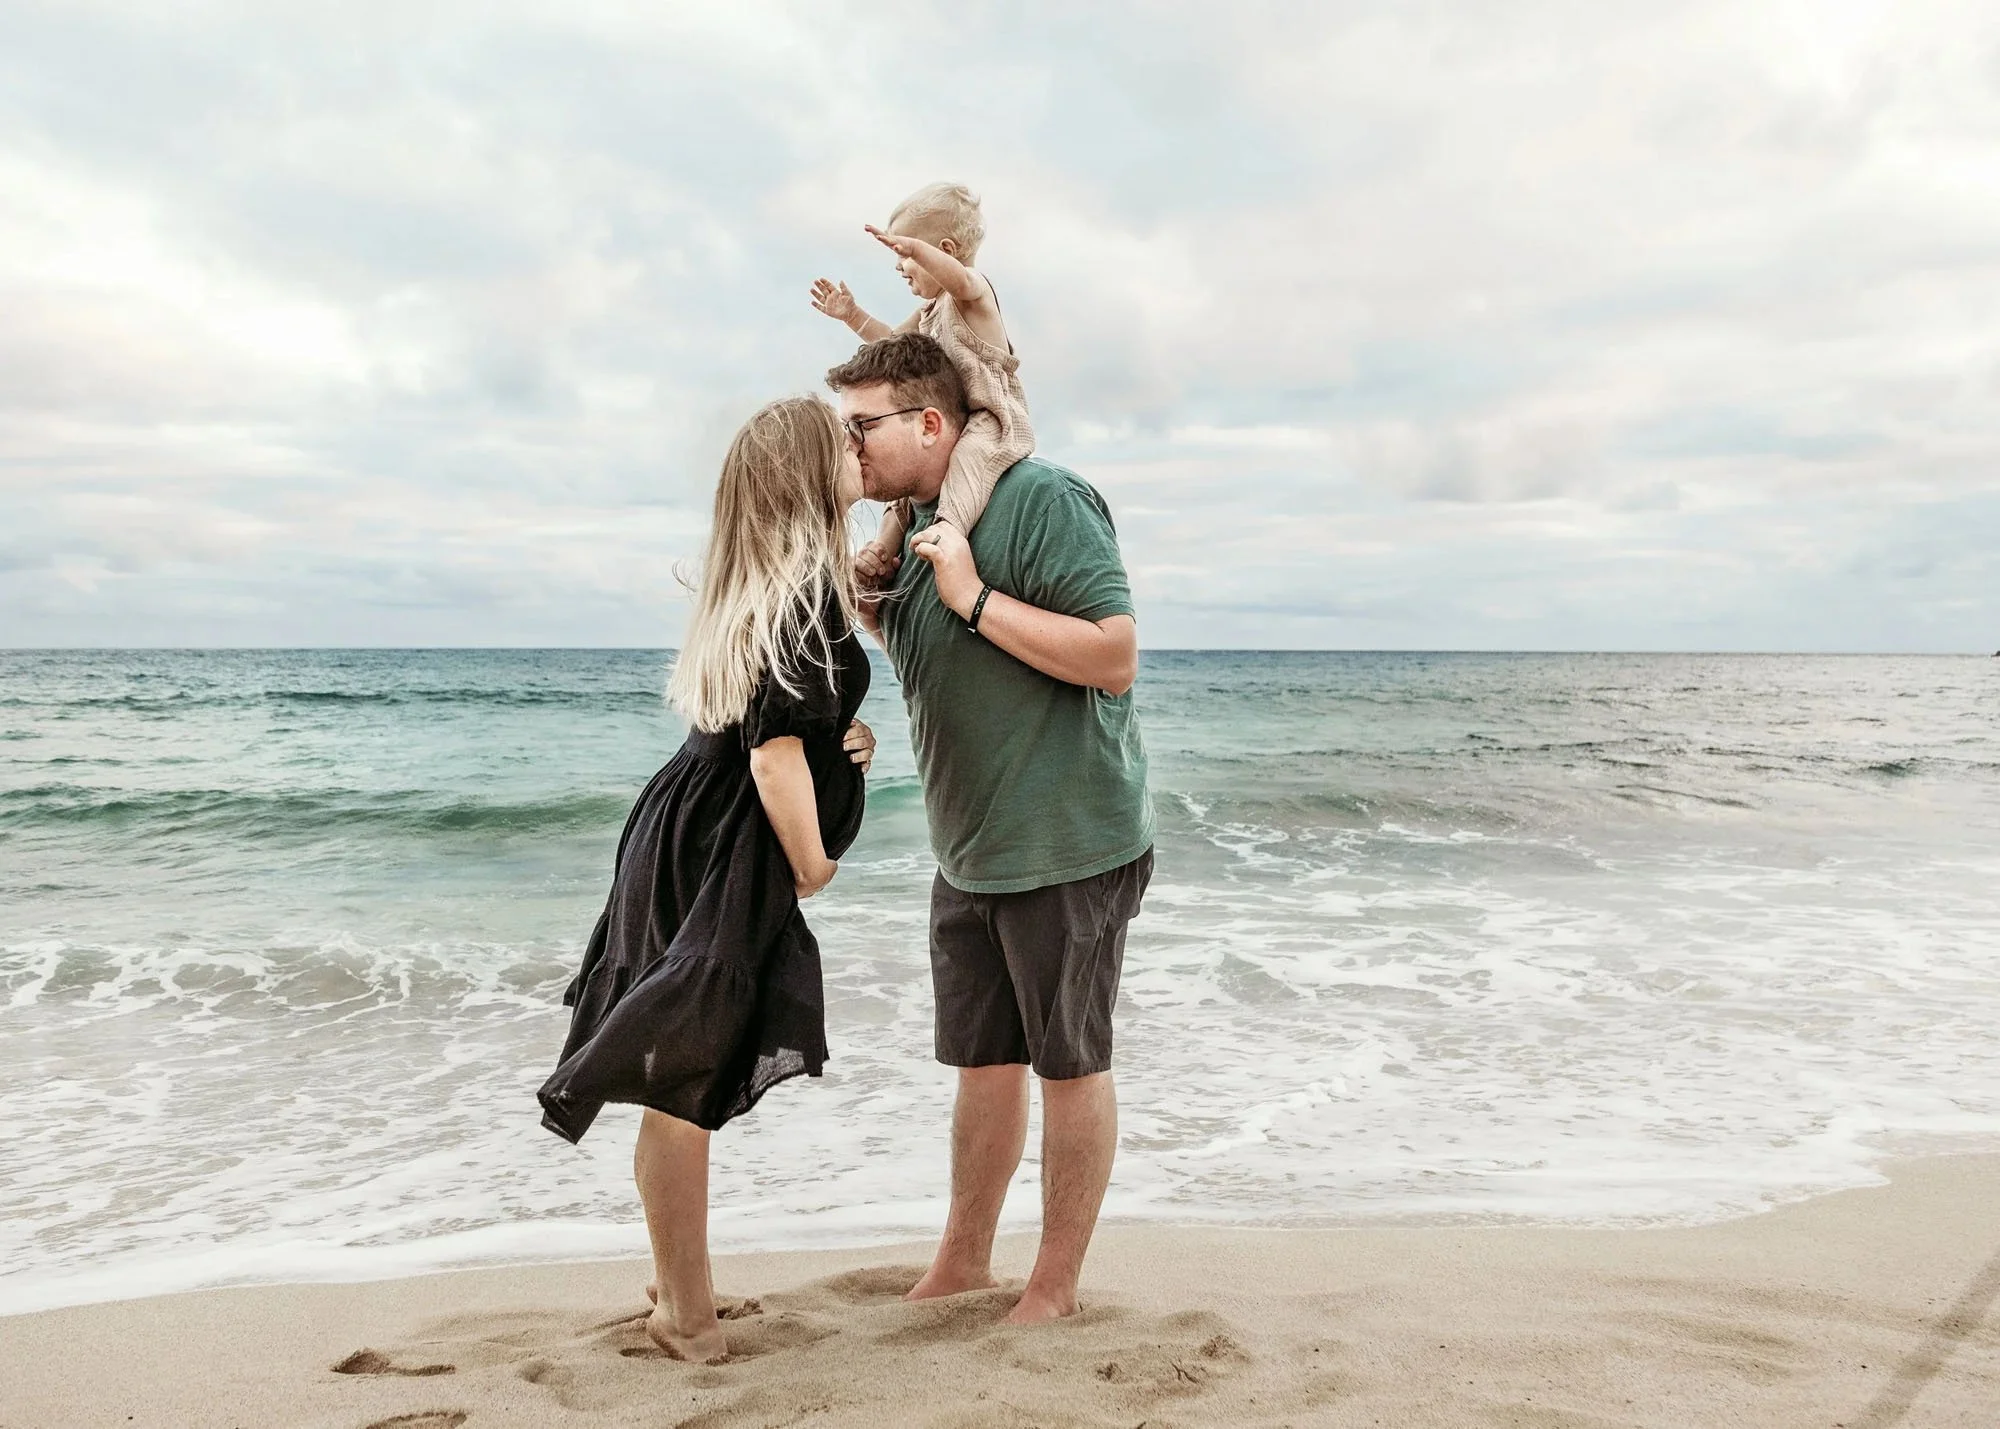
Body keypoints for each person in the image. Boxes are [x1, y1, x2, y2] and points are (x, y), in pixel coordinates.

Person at [536, 396, 879, 1363]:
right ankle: (684, 1313)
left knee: (685, 1067)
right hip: (723, 845)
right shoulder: (802, 593)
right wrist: (813, 862)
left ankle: (678, 1281)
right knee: (684, 1075)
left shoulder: (774, 587)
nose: (858, 448)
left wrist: (844, 739)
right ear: (808, 476)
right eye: (843, 441)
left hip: (689, 831)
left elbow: (782, 726)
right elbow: (770, 757)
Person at [825, 332, 1154, 1326]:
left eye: (862, 426)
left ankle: (1051, 1287)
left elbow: (1113, 653)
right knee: (981, 1065)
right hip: (966, 850)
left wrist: (969, 595)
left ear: (933, 423)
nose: (850, 446)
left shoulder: (1039, 498)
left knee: (1068, 1064)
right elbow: (935, 657)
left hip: (1065, 840)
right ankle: (963, 1262)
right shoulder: (915, 523)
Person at [809, 182, 1033, 574]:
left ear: (944, 252)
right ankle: (882, 550)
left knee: (968, 464)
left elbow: (960, 280)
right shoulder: (930, 312)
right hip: (952, 418)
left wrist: (916, 250)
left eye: (903, 252)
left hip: (991, 418)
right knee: (904, 494)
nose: (899, 263)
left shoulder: (974, 294)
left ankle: (949, 529)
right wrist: (851, 315)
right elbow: (893, 343)